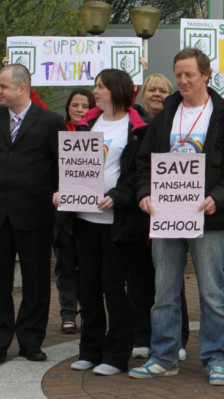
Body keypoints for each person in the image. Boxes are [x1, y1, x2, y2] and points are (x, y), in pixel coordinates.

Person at [130, 47, 224, 386]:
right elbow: (144, 165)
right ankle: (164, 357)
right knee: (163, 292)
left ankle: (216, 358)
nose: (182, 80)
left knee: (213, 293)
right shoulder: (164, 116)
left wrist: (218, 198)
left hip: (208, 219)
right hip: (166, 217)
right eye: (178, 74)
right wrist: (144, 195)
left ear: (205, 75)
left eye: (189, 74)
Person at [53, 69, 150, 376]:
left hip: (117, 224)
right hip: (83, 220)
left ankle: (116, 354)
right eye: (96, 86)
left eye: (101, 87)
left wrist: (119, 196)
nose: (96, 92)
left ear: (119, 90)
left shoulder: (138, 128)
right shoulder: (87, 125)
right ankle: (90, 349)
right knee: (89, 288)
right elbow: (73, 167)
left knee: (113, 288)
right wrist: (62, 192)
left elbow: (138, 173)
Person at [0, 64, 65, 363]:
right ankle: (1, 340)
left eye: (3, 87)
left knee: (36, 280)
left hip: (35, 213)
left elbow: (61, 166)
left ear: (21, 88)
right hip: (1, 214)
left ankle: (30, 341)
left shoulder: (51, 122)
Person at [129, 73, 190, 361]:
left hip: (174, 212)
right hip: (140, 211)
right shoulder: (132, 125)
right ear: (143, 96)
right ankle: (141, 335)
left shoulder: (180, 125)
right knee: (140, 278)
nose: (157, 94)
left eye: (163, 90)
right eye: (152, 89)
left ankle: (178, 338)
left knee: (172, 279)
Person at [52, 89, 96, 335]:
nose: (79, 110)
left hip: (91, 211)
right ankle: (68, 314)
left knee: (89, 266)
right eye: (75, 105)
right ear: (67, 107)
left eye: (84, 105)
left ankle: (89, 313)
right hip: (63, 211)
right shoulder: (56, 131)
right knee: (65, 264)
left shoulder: (100, 131)